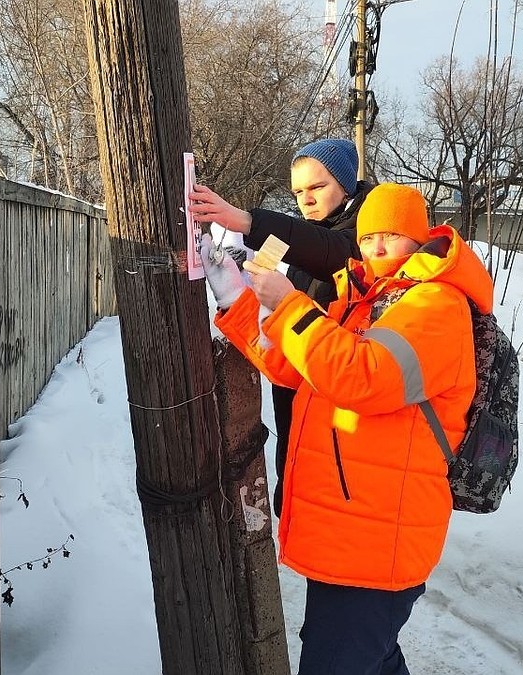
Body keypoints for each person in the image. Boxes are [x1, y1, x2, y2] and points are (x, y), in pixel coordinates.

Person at [199, 183, 495, 674]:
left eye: (392, 236)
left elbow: (363, 377)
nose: (377, 248)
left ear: (419, 239)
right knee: (372, 658)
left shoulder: (435, 306)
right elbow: (298, 368)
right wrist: (236, 297)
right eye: (368, 236)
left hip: (379, 540)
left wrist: (292, 305)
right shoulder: (365, 299)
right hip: (352, 530)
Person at [189, 139, 373, 518]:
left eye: (317, 187)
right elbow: (268, 273)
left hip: (342, 418)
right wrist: (237, 275)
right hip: (298, 393)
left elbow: (333, 251)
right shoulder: (304, 234)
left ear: (345, 184)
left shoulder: (369, 235)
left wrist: (247, 221)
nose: (306, 199)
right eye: (298, 191)